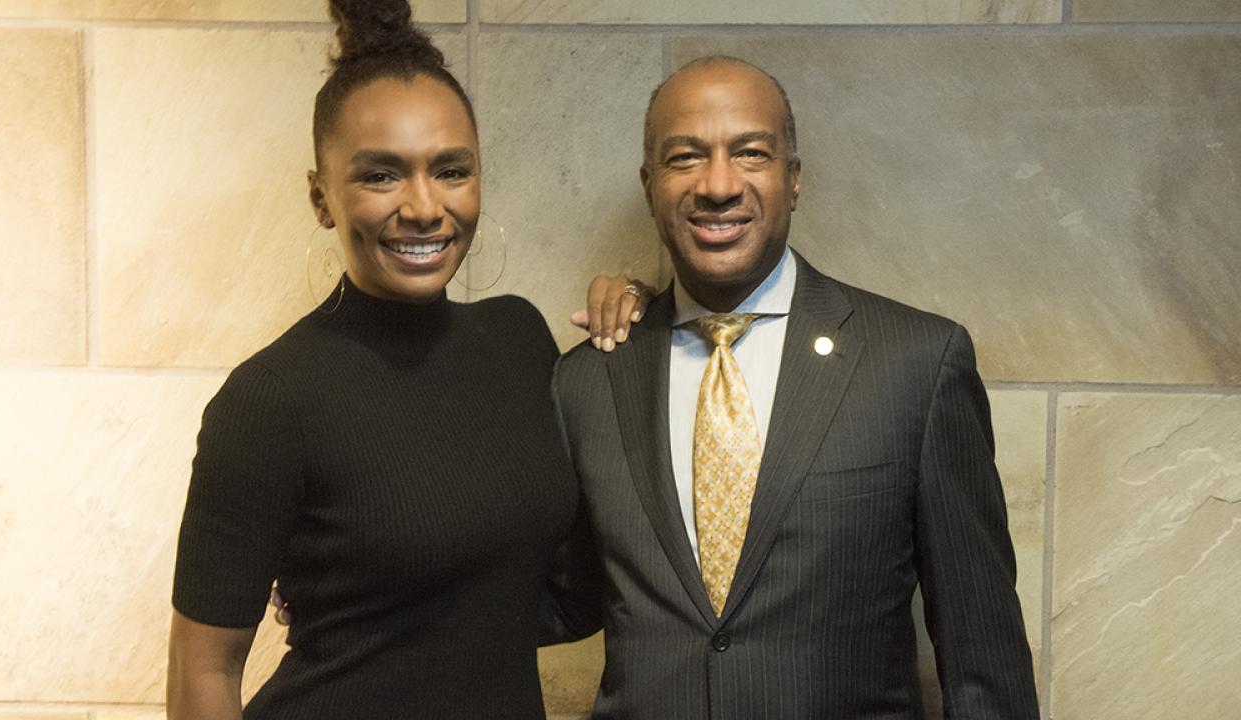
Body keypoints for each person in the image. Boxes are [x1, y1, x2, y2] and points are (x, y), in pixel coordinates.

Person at [165, 1, 645, 718]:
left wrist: (648, 311)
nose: (424, 207)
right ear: (321, 198)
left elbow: (560, 584)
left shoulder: (518, 340)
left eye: (451, 170)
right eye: (381, 176)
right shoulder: (269, 399)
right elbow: (202, 674)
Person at [544, 56, 1041, 719]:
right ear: (649, 184)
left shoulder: (916, 364)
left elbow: (982, 652)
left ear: (794, 179)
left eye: (750, 153)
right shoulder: (589, 380)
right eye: (685, 158)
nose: (718, 185)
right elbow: (557, 600)